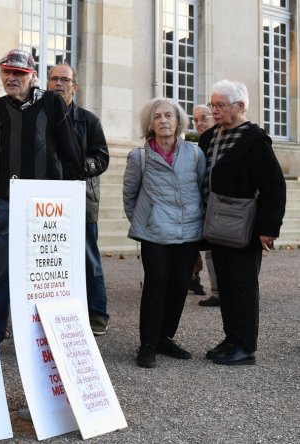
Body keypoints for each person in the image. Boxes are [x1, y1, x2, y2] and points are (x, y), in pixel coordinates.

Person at [0, 49, 86, 343]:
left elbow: (70, 150)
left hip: (45, 205)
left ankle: (43, 339)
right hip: (6, 203)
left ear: (32, 76)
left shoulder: (50, 102)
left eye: (19, 74)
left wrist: (75, 196)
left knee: (44, 276)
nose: (12, 78)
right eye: (7, 72)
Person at [200, 80, 286, 366]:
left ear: (240, 106)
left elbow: (274, 186)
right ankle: (231, 339)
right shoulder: (210, 137)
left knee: (243, 286)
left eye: (220, 105)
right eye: (212, 104)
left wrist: (268, 229)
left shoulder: (254, 140)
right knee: (225, 284)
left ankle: (245, 347)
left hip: (245, 226)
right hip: (216, 224)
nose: (214, 110)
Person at [122, 98, 205, 369]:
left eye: (169, 116)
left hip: (189, 231)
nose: (164, 121)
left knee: (180, 287)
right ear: (150, 124)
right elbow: (130, 195)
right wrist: (144, 221)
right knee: (156, 286)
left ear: (179, 122)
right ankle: (147, 344)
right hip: (155, 232)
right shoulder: (139, 156)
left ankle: (164, 338)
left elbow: (202, 188)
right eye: (157, 117)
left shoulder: (194, 154)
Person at [47, 63, 111, 336]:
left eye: (65, 79)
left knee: (88, 259)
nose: (59, 83)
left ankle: (97, 314)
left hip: (81, 199)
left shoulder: (88, 120)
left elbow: (102, 158)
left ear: (75, 86)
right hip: (46, 201)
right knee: (49, 259)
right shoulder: (39, 116)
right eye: (54, 79)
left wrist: (72, 168)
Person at [192, 104, 221, 306]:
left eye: (204, 118)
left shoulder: (215, 137)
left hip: (217, 204)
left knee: (214, 251)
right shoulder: (201, 140)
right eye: (195, 120)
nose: (199, 123)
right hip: (199, 202)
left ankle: (219, 292)